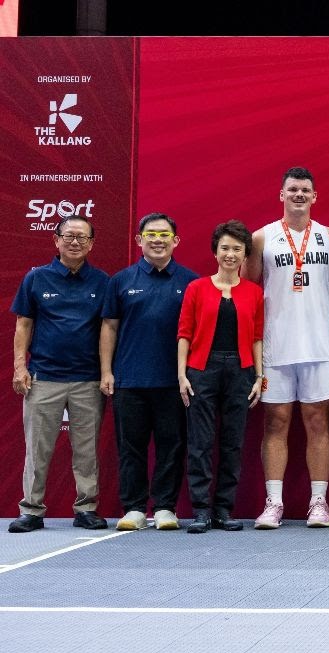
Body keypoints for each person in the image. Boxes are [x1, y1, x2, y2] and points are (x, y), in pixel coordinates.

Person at [243, 166, 329, 529]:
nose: (299, 195)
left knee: (317, 422)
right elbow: (249, 285)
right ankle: (274, 503)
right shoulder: (262, 238)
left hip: (318, 345)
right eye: (293, 189)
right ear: (281, 195)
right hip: (276, 346)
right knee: (276, 423)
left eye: (305, 190)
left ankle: (319, 502)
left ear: (315, 196)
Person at [9, 215, 110, 534]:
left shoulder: (103, 282)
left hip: (88, 379)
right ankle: (31, 509)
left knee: (86, 449)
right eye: (68, 236)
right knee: (37, 449)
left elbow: (108, 329)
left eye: (82, 237)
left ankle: (86, 508)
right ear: (56, 240)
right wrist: (20, 367)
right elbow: (23, 324)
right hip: (44, 377)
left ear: (91, 244)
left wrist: (106, 372)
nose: (75, 242)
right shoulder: (36, 278)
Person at [100, 213, 199, 532]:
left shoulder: (191, 282)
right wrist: (107, 371)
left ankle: (166, 507)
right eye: (151, 234)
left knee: (172, 445)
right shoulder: (120, 281)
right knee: (131, 447)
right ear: (139, 240)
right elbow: (109, 327)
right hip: (129, 379)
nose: (158, 240)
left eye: (164, 235)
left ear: (176, 241)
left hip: (174, 382)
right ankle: (134, 508)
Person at [177, 220, 264, 533]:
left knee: (232, 443)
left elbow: (257, 337)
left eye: (237, 249)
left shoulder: (254, 292)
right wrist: (182, 374)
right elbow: (184, 333)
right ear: (215, 252)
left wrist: (259, 376)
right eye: (225, 248)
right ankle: (201, 510)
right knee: (199, 442)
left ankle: (224, 509)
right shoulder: (197, 288)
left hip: (240, 370)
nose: (230, 254)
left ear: (245, 255)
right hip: (202, 370)